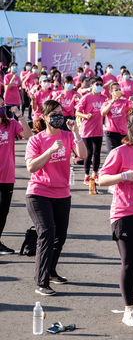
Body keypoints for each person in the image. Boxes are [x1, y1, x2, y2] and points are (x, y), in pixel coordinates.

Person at [98, 109, 133, 327]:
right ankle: (128, 310)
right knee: (129, 262)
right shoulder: (120, 152)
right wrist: (124, 176)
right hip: (125, 213)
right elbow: (102, 179)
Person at [25, 99, 87, 296]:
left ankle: (51, 271)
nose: (58, 116)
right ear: (44, 117)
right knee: (47, 232)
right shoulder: (36, 140)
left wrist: (76, 132)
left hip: (62, 193)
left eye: (60, 112)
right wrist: (49, 151)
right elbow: (31, 167)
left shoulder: (68, 136)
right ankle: (41, 281)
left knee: (60, 237)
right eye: (54, 114)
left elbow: (82, 155)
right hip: (38, 192)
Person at [0, 97, 32, 254]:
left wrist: (20, 116)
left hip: (6, 175)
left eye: (1, 105)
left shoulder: (11, 124)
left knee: (3, 211)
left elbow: (28, 135)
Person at [76, 77, 107, 183]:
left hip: (98, 129)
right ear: (91, 85)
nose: (99, 86)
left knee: (97, 153)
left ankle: (95, 173)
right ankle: (86, 175)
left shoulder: (104, 98)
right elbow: (77, 112)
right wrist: (85, 115)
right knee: (88, 153)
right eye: (96, 84)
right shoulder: (86, 98)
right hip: (87, 130)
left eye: (100, 84)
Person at [101, 82, 133, 152]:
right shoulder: (106, 103)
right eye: (116, 90)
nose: (118, 91)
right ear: (111, 92)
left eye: (119, 89)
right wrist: (111, 103)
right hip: (111, 133)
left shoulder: (125, 102)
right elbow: (103, 113)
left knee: (123, 153)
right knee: (113, 153)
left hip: (123, 133)